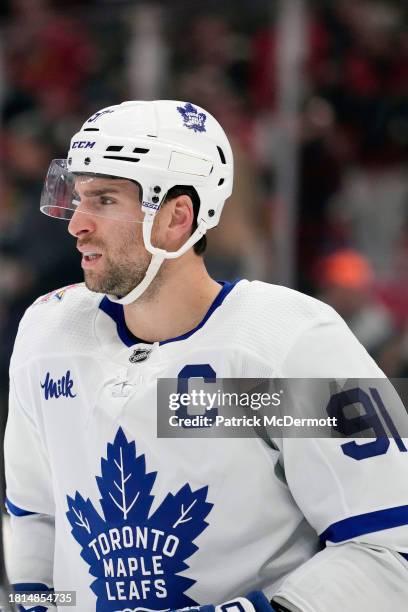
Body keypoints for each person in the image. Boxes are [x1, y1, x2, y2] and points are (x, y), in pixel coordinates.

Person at [4, 100, 408, 612]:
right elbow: (36, 516)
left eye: (104, 200)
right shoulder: (48, 335)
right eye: (79, 198)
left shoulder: (286, 343)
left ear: (177, 218)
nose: (76, 224)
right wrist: (42, 607)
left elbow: (391, 544)